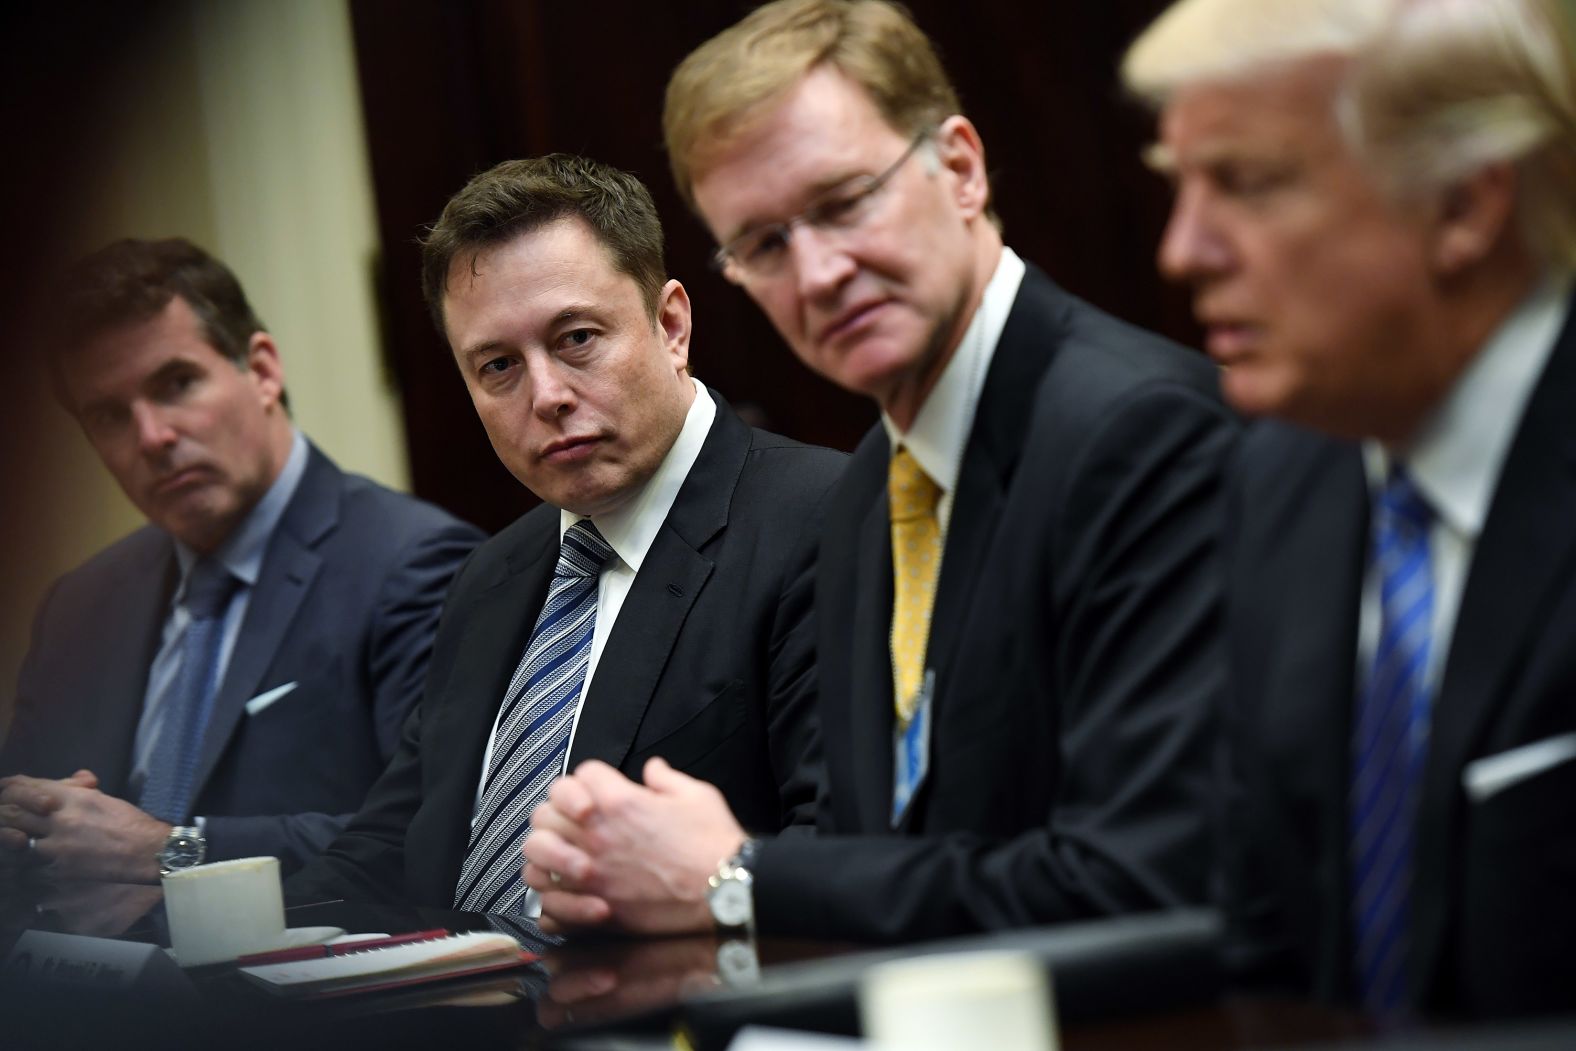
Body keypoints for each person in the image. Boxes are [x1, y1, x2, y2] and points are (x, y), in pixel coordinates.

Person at [524, 0, 1238, 943]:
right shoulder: (864, 497)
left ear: (961, 169)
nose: (818, 274)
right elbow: (888, 844)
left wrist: (738, 876)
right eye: (767, 244)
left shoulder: (1139, 431)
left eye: (845, 203)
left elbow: (1145, 878)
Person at [1124, 0, 1576, 1020]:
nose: (1182, 251)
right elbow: (1266, 946)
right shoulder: (1283, 477)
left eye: (1246, 183)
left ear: (1462, 204)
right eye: (1178, 185)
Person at [286, 154, 844, 918]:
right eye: (498, 366)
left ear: (671, 325)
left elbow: (843, 857)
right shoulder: (490, 575)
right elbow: (388, 848)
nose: (546, 395)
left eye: (577, 338)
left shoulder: (828, 519)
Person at [0, 238, 483, 897]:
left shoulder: (415, 563)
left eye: (176, 384)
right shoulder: (79, 607)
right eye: (109, 415)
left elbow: (436, 836)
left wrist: (169, 852)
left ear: (261, 370)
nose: (151, 436)